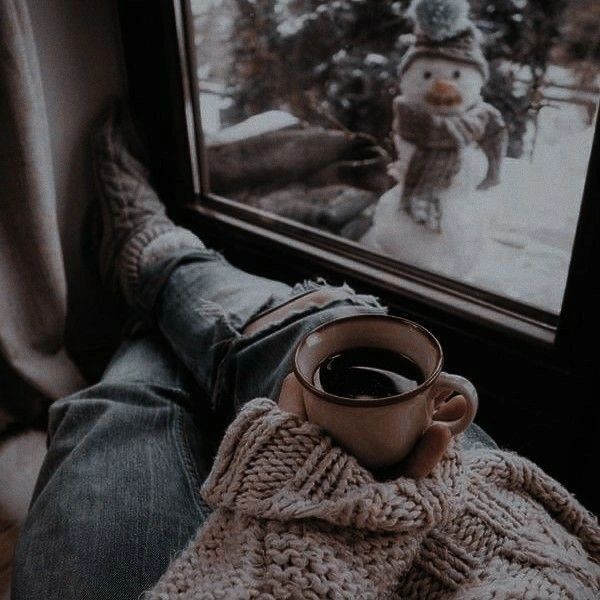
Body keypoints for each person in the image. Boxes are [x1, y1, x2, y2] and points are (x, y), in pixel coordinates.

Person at [11, 107, 598, 599]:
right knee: (332, 326)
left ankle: (157, 263)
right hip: (509, 536)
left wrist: (316, 517)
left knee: (117, 409)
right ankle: (164, 278)